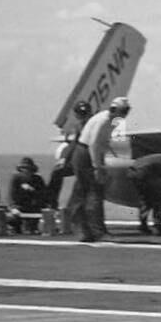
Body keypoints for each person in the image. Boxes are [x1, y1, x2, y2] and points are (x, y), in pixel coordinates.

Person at [68, 96, 129, 242]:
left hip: (90, 154)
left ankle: (86, 230)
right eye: (123, 111)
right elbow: (93, 144)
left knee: (86, 192)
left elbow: (103, 142)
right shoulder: (103, 120)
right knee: (93, 192)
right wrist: (97, 167)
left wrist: (103, 161)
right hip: (85, 154)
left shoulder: (113, 121)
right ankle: (95, 231)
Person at [47, 100, 92, 208]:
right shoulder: (80, 126)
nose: (82, 116)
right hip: (80, 162)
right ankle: (51, 204)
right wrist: (64, 158)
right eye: (80, 114)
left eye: (84, 114)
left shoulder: (92, 125)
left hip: (89, 163)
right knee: (57, 173)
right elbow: (74, 143)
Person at [8, 157, 47, 232]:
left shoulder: (38, 179)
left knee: (36, 217)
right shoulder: (16, 179)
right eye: (24, 168)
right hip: (19, 206)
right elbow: (11, 195)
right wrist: (13, 207)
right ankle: (17, 230)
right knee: (14, 218)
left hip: (34, 206)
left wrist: (32, 190)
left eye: (28, 168)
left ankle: (33, 228)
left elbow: (43, 194)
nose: (26, 170)